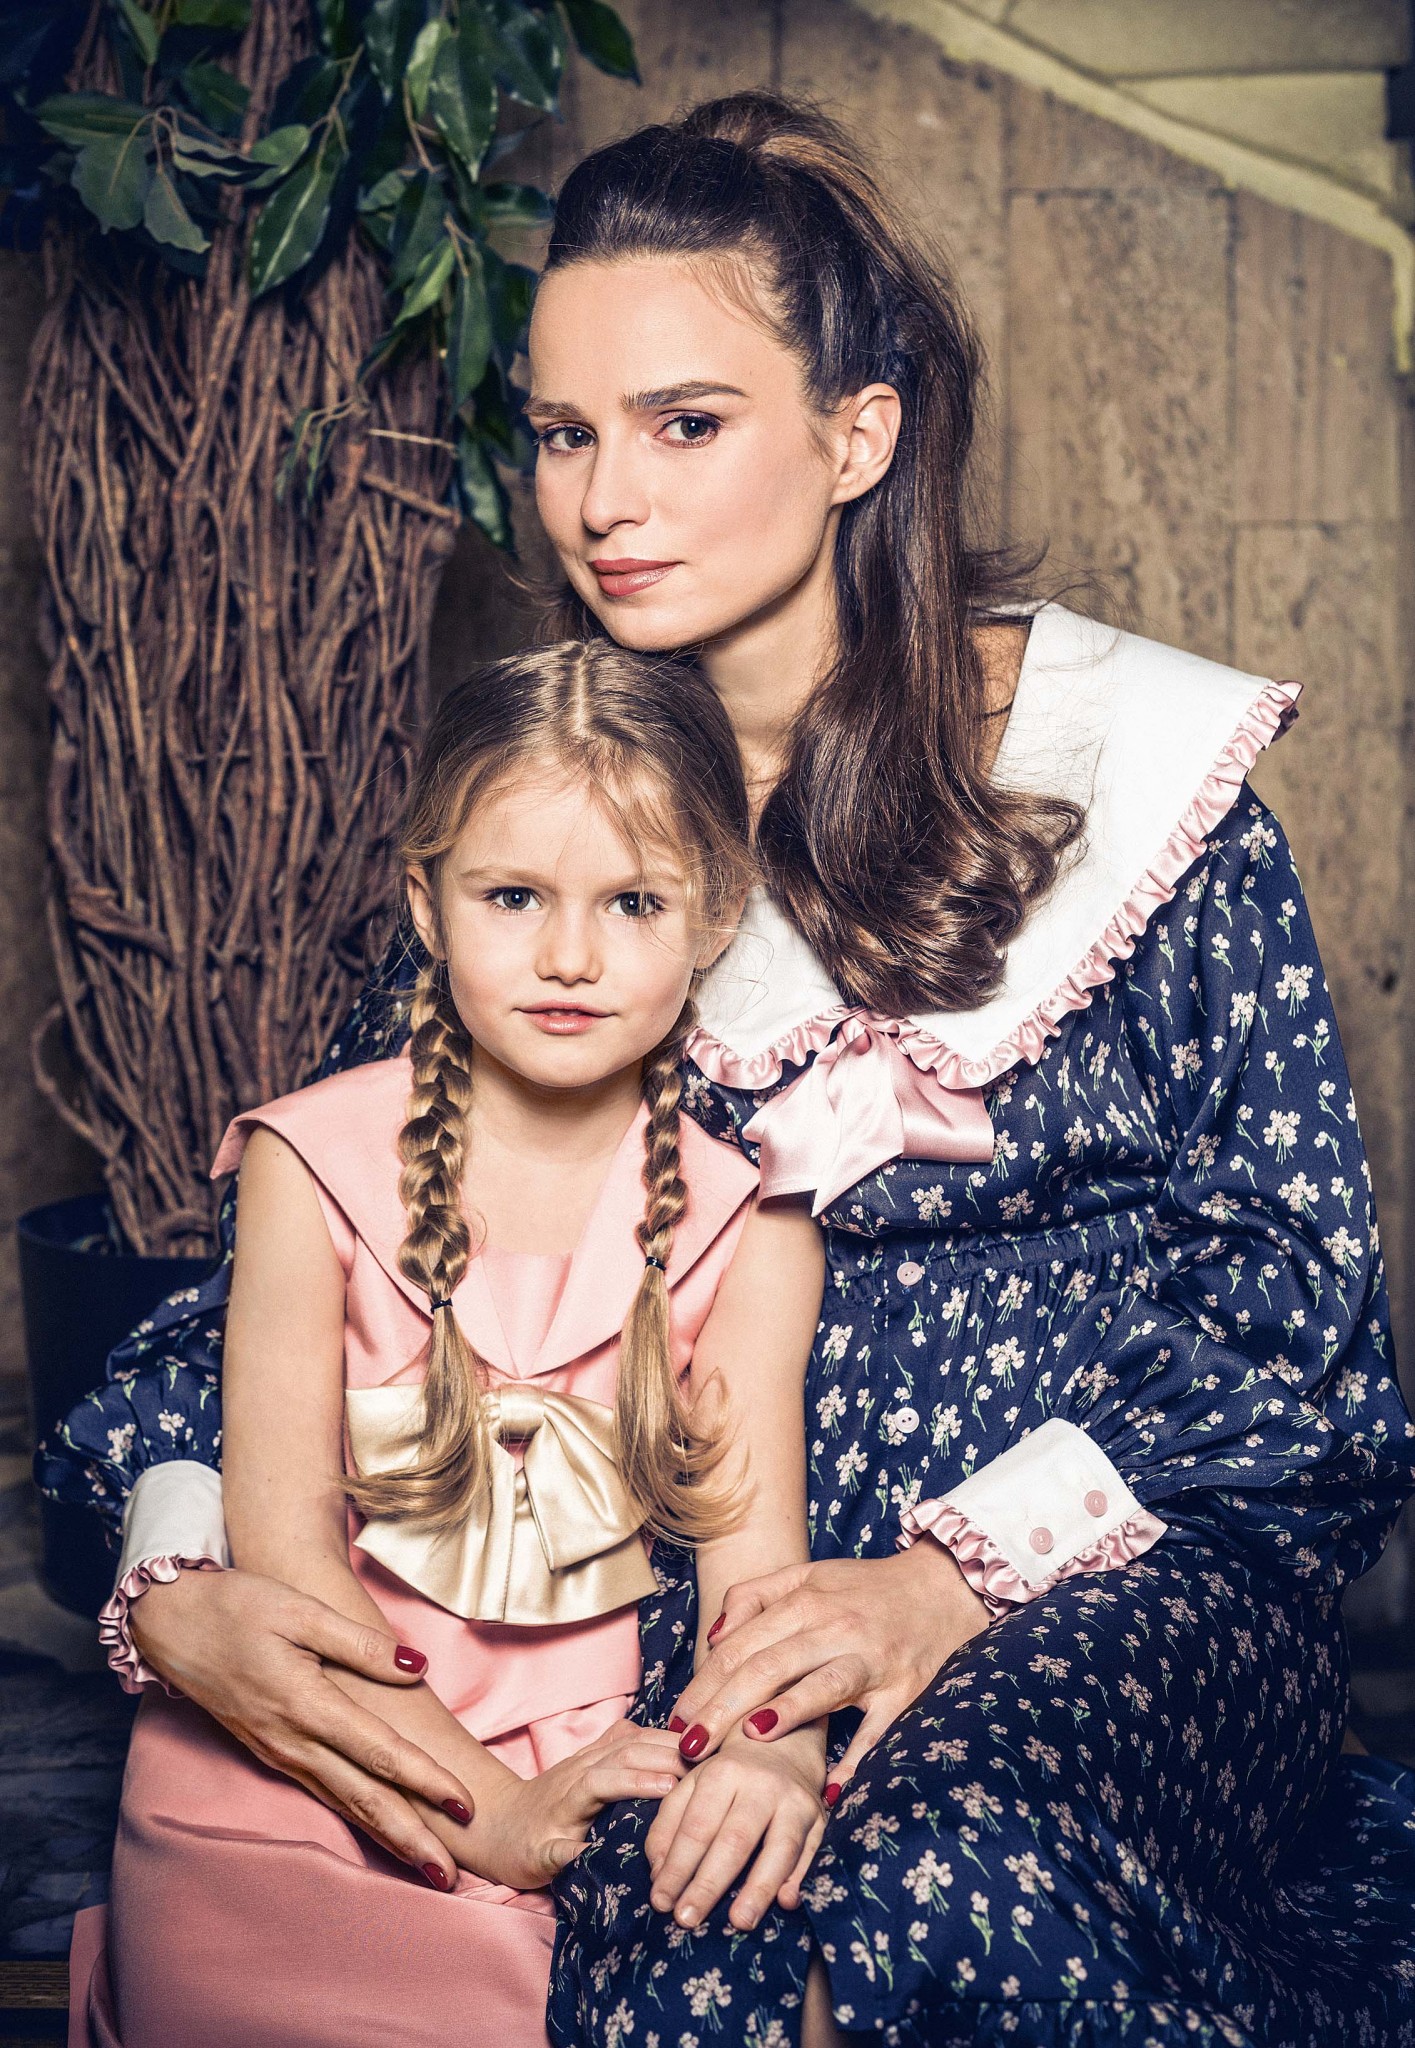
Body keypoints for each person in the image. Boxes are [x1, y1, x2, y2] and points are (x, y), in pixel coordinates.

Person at [45, 91, 1415, 2048]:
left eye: (685, 424)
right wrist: (179, 1577)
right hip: (691, 1624)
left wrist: (938, 1587)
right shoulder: (560, 838)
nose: (606, 499)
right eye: (566, 433)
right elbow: (295, 1263)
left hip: (1111, 1606)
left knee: (958, 1863)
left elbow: (1299, 1352)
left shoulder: (1145, 788)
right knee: (681, 1926)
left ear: (860, 436)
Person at [66, 640, 828, 2047]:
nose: (569, 957)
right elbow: (287, 1554)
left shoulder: (751, 1225)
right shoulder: (306, 1160)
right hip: (315, 1754)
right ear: (427, 900)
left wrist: (771, 1763)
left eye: (635, 902)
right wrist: (493, 1818)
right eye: (513, 895)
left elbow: (755, 1581)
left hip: (588, 1759)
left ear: (716, 914)